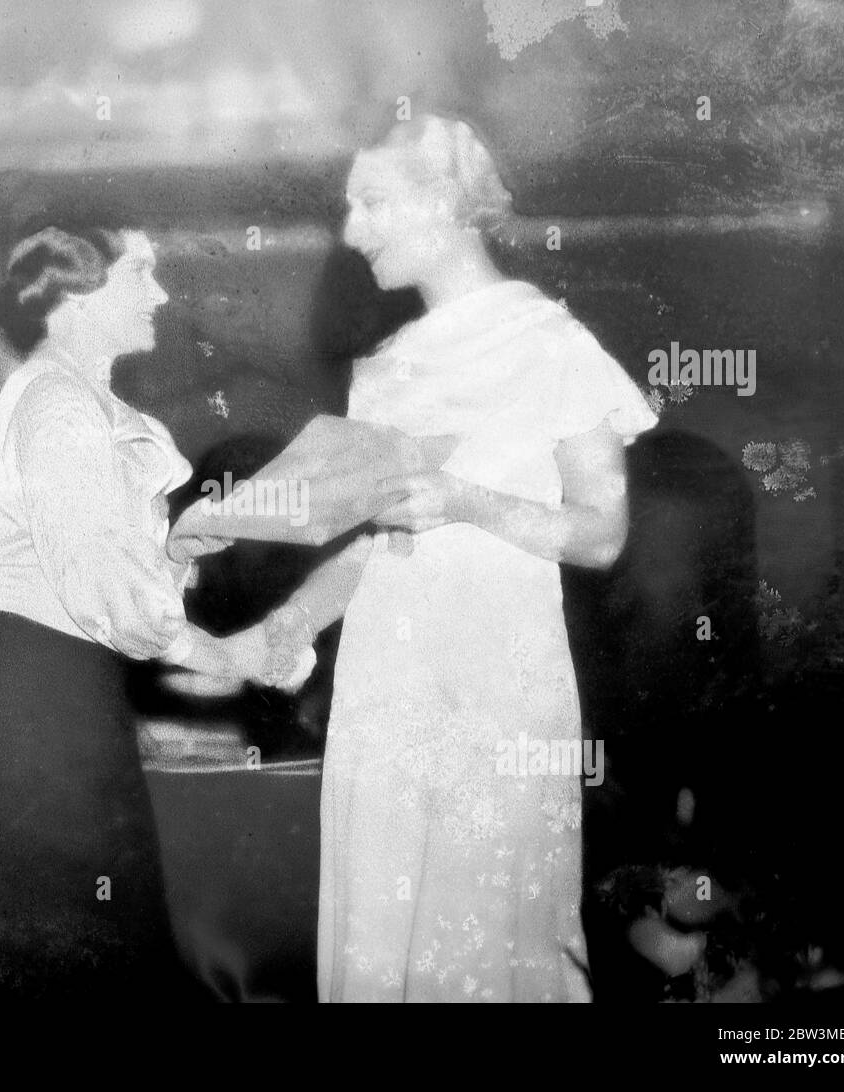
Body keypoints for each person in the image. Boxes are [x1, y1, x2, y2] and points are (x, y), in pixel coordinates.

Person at [270, 116, 659, 1002]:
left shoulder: (550, 343)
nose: (351, 231)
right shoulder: (384, 367)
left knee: (486, 939)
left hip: (495, 695)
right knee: (383, 934)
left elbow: (601, 533)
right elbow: (377, 544)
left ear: (443, 200)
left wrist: (466, 501)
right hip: (384, 690)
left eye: (371, 203)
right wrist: (280, 628)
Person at [0, 223, 301, 1000]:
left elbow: (98, 570)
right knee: (51, 940)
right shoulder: (57, 402)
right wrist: (230, 655)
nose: (161, 294)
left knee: (78, 935)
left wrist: (179, 551)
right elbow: (99, 586)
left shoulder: (79, 399)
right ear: (76, 298)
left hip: (56, 689)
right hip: (33, 700)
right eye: (140, 274)